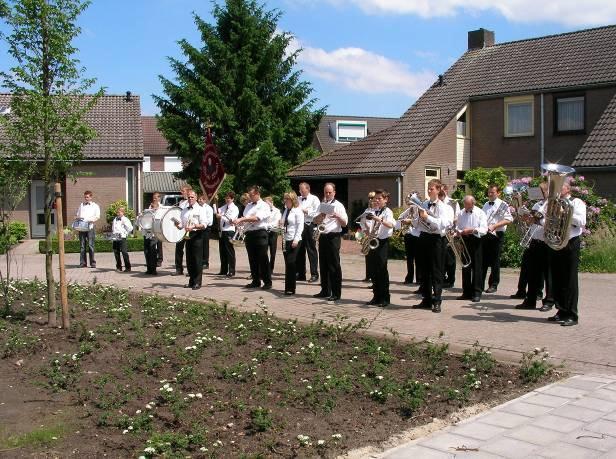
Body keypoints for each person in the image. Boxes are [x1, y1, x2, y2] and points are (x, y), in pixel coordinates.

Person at [546, 181, 586, 326]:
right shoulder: (553, 203)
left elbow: (581, 221)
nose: (555, 189)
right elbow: (547, 221)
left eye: (559, 186)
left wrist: (565, 213)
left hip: (570, 243)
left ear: (567, 189)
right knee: (557, 278)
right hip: (556, 242)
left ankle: (572, 314)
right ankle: (561, 310)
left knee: (570, 279)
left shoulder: (577, 203)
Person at [412, 179, 453, 313]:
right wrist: (415, 220)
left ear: (439, 189)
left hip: (437, 240)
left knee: (436, 271)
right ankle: (426, 299)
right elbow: (419, 222)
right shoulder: (424, 204)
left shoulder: (445, 207)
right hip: (424, 237)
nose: (429, 191)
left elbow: (443, 224)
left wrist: (427, 218)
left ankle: (437, 300)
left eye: (432, 189)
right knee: (424, 271)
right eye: (428, 188)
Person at [515, 182, 553, 311]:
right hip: (535, 241)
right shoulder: (538, 205)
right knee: (532, 273)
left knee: (548, 274)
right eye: (541, 191)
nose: (542, 193)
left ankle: (548, 301)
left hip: (547, 242)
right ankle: (530, 300)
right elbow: (530, 221)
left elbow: (551, 222)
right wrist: (525, 216)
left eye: (544, 191)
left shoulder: (553, 205)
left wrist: (538, 219)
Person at [312, 183, 348, 302]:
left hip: (333, 237)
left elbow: (344, 224)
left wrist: (337, 216)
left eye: (329, 192)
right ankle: (325, 290)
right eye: (326, 192)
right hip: (323, 236)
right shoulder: (321, 205)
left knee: (334, 265)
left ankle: (336, 293)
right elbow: (315, 221)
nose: (327, 194)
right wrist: (321, 216)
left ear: (334, 193)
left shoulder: (339, 205)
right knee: (323, 264)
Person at [233, 186, 271, 289]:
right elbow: (247, 219)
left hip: (260, 233)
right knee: (252, 258)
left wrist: (242, 219)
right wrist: (240, 223)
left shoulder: (264, 205)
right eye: (249, 195)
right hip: (249, 233)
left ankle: (267, 282)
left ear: (258, 194)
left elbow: (257, 218)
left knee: (263, 258)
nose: (250, 197)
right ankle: (255, 281)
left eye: (252, 195)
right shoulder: (248, 206)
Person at [362, 189, 395, 307]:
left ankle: (385, 298)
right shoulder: (371, 211)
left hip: (382, 242)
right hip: (372, 241)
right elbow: (363, 223)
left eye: (379, 198)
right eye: (375, 198)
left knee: (382, 270)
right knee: (373, 270)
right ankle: (376, 296)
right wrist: (366, 228)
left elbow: (391, 224)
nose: (376, 200)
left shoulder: (388, 212)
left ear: (385, 200)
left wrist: (378, 220)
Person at [175, 190, 211, 290]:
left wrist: (194, 226)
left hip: (197, 235)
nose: (190, 199)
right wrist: (177, 225)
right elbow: (182, 225)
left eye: (192, 197)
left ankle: (197, 282)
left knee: (197, 260)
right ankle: (191, 281)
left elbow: (204, 224)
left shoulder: (200, 209)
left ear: (196, 198)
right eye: (189, 197)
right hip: (188, 235)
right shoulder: (184, 210)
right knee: (189, 260)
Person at [481, 184, 513, 293]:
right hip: (486, 234)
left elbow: (508, 219)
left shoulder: (503, 204)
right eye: (489, 192)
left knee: (495, 261)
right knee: (483, 260)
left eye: (492, 192)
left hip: (497, 234)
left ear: (498, 193)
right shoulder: (486, 204)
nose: (490, 194)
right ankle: (479, 284)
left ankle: (493, 284)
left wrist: (495, 226)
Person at [455, 196, 487, 302]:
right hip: (464, 240)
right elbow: (458, 226)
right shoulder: (461, 213)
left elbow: (484, 229)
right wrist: (458, 232)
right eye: (465, 204)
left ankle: (477, 292)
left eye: (468, 205)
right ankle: (466, 292)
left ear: (473, 204)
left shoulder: (480, 212)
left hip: (476, 240)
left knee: (477, 267)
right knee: (466, 266)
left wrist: (472, 230)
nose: (466, 207)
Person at [396, 191, 422, 285]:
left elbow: (419, 221)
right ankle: (409, 277)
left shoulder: (420, 210)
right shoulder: (409, 210)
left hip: (417, 236)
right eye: (410, 202)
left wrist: (410, 221)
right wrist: (402, 220)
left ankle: (419, 278)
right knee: (409, 258)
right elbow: (400, 218)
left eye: (412, 201)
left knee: (419, 258)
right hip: (409, 235)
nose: (410, 204)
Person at [296, 182, 320, 283]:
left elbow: (317, 213)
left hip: (310, 225)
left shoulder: (314, 199)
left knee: (311, 250)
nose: (300, 191)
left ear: (308, 189)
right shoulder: (297, 199)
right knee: (299, 250)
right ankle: (301, 274)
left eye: (302, 189)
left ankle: (314, 274)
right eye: (300, 190)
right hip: (300, 225)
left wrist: (306, 211)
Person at [281, 191, 304, 295]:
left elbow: (300, 226)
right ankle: (287, 287)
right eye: (285, 199)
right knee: (287, 264)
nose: (285, 201)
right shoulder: (286, 210)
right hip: (285, 239)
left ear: (292, 200)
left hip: (294, 240)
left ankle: (291, 288)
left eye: (287, 199)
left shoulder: (297, 211)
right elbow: (283, 222)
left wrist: (296, 239)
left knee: (291, 263)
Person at [441, 184, 461, 288]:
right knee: (441, 257)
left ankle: (451, 280)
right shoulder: (437, 202)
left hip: (450, 232)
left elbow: (457, 217)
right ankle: (442, 278)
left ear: (446, 190)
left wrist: (454, 230)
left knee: (450, 259)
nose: (441, 192)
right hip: (440, 233)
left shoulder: (453, 202)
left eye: (443, 190)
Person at [215, 191, 238, 277]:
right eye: (226, 198)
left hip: (229, 230)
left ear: (232, 199)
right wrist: (215, 200)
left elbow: (230, 220)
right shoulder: (224, 207)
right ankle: (223, 270)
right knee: (222, 251)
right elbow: (217, 211)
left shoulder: (234, 208)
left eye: (229, 198)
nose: (227, 199)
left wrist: (221, 216)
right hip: (222, 230)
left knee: (229, 251)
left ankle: (232, 270)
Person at [75, 191, 100, 268]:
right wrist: (77, 218)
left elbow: (97, 216)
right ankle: (83, 263)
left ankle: (92, 263)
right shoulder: (81, 205)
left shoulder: (95, 206)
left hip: (90, 227)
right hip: (82, 228)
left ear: (91, 197)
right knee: (82, 246)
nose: (86, 198)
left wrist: (92, 220)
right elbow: (77, 215)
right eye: (85, 197)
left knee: (90, 245)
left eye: (88, 197)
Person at [173, 185, 192, 276]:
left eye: (183, 191)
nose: (181, 192)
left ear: (188, 191)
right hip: (181, 228)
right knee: (179, 249)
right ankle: (179, 268)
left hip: (188, 228)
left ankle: (191, 269)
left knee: (189, 250)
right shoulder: (181, 202)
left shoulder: (190, 202)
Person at [360, 191, 376, 284]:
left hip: (375, 235)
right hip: (367, 235)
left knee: (375, 258)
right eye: (369, 198)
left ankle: (374, 278)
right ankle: (368, 276)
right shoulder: (367, 211)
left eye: (372, 198)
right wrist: (365, 231)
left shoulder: (378, 210)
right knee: (368, 256)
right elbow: (362, 222)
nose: (370, 200)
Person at [111, 206, 133, 273]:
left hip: (122, 237)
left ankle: (128, 267)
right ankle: (119, 267)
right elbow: (113, 228)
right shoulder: (115, 219)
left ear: (123, 213)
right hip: (116, 238)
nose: (118, 213)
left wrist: (125, 233)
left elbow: (130, 228)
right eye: (118, 212)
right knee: (116, 252)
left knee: (124, 252)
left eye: (120, 212)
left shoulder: (125, 219)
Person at [264, 196, 282, 273]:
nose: (266, 206)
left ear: (272, 203)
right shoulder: (264, 211)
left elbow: (276, 222)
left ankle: (271, 268)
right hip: (265, 232)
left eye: (267, 204)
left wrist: (268, 225)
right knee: (264, 251)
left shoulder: (277, 211)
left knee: (272, 251)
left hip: (273, 232)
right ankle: (265, 267)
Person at [197, 194, 214, 269]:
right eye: (199, 199)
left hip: (206, 229)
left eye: (201, 199)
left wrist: (203, 224)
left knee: (205, 245)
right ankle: (199, 261)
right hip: (198, 228)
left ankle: (205, 262)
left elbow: (209, 221)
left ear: (205, 200)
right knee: (199, 245)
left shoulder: (208, 208)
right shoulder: (197, 207)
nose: (199, 200)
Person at [149, 192, 163, 267]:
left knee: (159, 244)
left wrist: (157, 209)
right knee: (153, 244)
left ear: (159, 198)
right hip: (152, 227)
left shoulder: (161, 206)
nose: (154, 199)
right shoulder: (150, 206)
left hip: (159, 227)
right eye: (153, 198)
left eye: (156, 197)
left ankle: (160, 259)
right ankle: (153, 260)